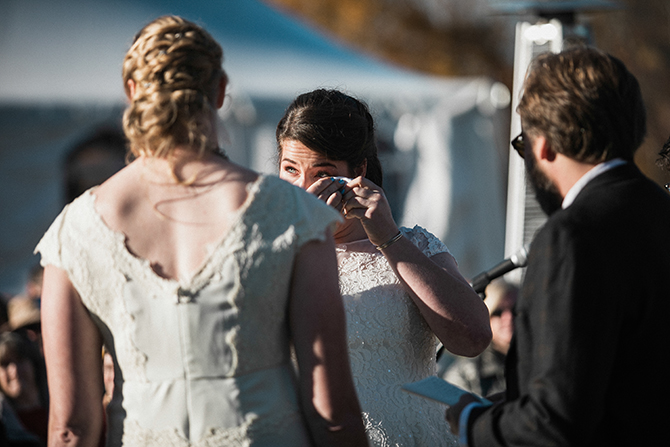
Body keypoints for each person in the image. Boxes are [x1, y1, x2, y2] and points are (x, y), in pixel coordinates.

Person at [35, 16, 367, 447]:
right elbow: (332, 410)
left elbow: (70, 429)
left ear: (132, 92)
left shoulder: (75, 231)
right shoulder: (293, 215)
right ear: (222, 91)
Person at [446, 46, 670, 446]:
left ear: (544, 144)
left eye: (523, 143)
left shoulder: (572, 235)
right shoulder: (659, 209)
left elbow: (555, 422)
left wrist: (473, 422)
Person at [276, 88, 492, 446]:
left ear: (357, 171)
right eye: (289, 169)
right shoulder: (271, 250)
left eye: (320, 173)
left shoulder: (414, 245)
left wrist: (389, 239)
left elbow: (472, 338)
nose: (302, 189)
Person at [440, 279, 518, 398]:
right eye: (498, 312)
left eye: (515, 310)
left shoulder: (544, 362)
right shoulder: (466, 374)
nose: (508, 318)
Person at [0, 332, 48, 446]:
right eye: (5, 364)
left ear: (34, 364)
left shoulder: (64, 411)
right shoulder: (2, 427)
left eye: (20, 360)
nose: (14, 371)